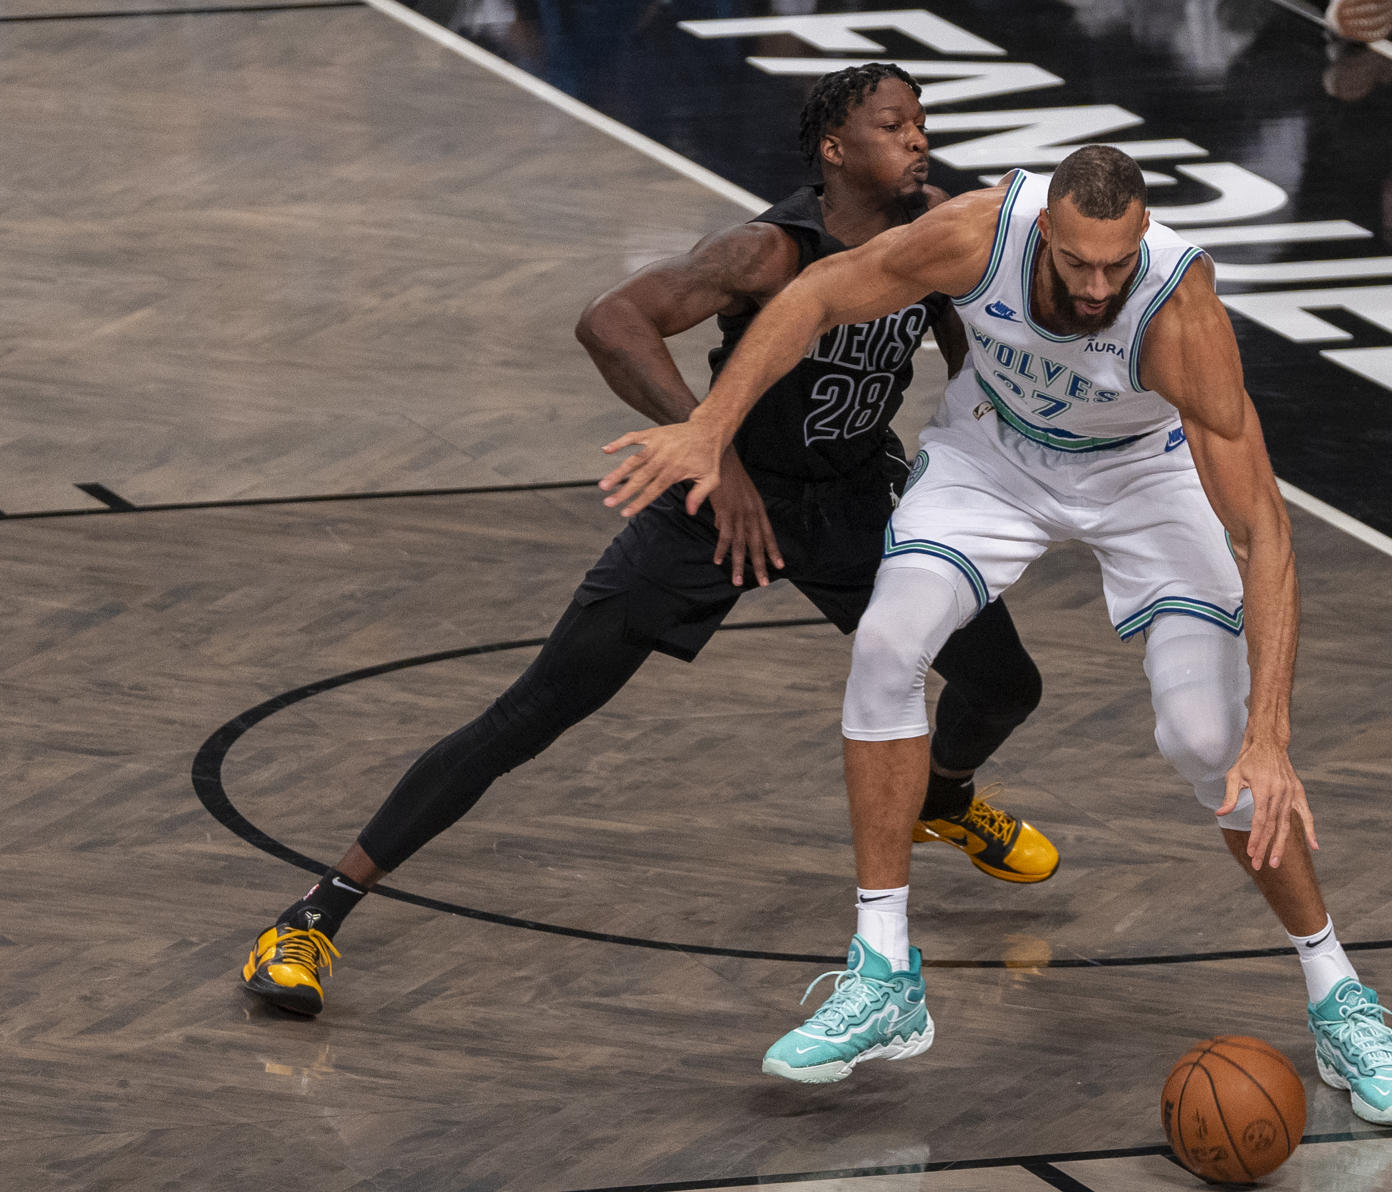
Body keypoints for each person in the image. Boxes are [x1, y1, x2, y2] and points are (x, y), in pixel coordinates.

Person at [599, 145, 1392, 1125]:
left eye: (1114, 265)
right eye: (1077, 263)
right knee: (885, 646)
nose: (1095, 285)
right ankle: (885, 972)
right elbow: (819, 293)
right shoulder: (975, 234)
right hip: (994, 460)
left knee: (1210, 742)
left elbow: (1264, 532)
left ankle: (1339, 993)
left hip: (1145, 480)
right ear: (1044, 231)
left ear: (1141, 240)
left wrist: (1274, 734)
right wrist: (713, 424)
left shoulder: (1178, 314)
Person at [241, 64, 1058, 1017]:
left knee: (1006, 683)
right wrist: (713, 454)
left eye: (921, 122)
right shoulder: (769, 251)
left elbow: (972, 358)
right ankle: (311, 916)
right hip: (721, 507)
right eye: (894, 125)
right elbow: (611, 320)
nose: (919, 138)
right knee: (532, 712)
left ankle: (942, 798)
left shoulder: (932, 242)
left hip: (853, 504)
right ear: (836, 150)